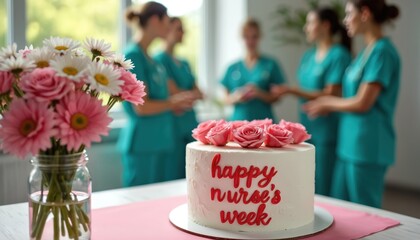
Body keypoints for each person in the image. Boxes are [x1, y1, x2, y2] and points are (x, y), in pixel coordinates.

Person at [304, 0, 401, 208]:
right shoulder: (366, 52)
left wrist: (327, 103)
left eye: (349, 14)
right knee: (341, 209)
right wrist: (325, 101)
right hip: (348, 144)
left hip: (368, 146)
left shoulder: (382, 52)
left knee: (366, 213)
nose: (345, 21)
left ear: (365, 14)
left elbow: (363, 103)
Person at [273, 8, 352, 196]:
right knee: (308, 181)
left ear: (325, 25)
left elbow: (331, 93)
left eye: (310, 23)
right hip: (307, 128)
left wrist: (292, 90)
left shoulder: (338, 55)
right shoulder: (308, 56)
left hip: (327, 129)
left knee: (325, 183)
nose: (306, 28)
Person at [118, 2, 193, 187]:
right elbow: (142, 107)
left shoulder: (152, 60)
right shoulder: (133, 56)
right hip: (144, 143)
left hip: (161, 141)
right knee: (139, 202)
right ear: (154, 20)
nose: (169, 28)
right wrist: (173, 103)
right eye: (167, 21)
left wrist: (175, 102)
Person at [154, 17, 202, 178]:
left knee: (193, 171)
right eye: (179, 29)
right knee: (173, 172)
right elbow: (174, 93)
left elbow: (199, 93)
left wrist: (188, 95)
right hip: (173, 125)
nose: (183, 33)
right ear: (168, 30)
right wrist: (189, 95)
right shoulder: (159, 60)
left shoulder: (185, 62)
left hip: (190, 122)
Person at [221, 19, 286, 121]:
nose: (250, 41)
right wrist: (237, 97)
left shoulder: (270, 64)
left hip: (264, 123)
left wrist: (259, 93)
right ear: (241, 38)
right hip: (238, 123)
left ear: (260, 37)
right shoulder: (232, 68)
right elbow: (225, 99)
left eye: (254, 37)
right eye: (246, 37)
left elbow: (277, 97)